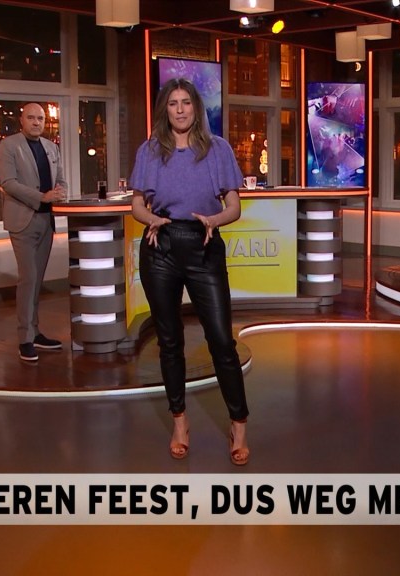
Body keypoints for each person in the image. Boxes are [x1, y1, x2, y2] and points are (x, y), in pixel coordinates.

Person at [128, 78, 250, 466]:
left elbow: (234, 206)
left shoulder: (218, 149)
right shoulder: (150, 151)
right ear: (164, 110)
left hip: (203, 243)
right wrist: (151, 219)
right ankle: (180, 422)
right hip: (161, 247)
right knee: (169, 341)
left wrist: (214, 219)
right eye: (173, 103)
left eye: (186, 102)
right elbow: (136, 205)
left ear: (196, 108)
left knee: (221, 341)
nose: (180, 109)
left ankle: (238, 425)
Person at [0, 103, 67, 362]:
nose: (37, 122)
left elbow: (60, 179)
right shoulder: (9, 146)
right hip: (22, 220)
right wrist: (42, 197)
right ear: (22, 120)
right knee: (28, 278)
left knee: (37, 281)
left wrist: (59, 193)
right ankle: (24, 339)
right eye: (31, 118)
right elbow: (8, 183)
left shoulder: (51, 147)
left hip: (47, 220)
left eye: (41, 118)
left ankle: (35, 332)